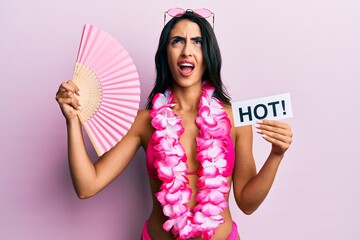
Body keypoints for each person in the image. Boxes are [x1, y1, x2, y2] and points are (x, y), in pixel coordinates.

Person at [55, 9, 293, 240]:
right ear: (165, 54)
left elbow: (247, 203)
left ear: (208, 54)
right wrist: (73, 121)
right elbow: (87, 186)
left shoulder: (235, 121)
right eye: (177, 41)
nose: (187, 51)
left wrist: (276, 155)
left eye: (197, 42)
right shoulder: (145, 122)